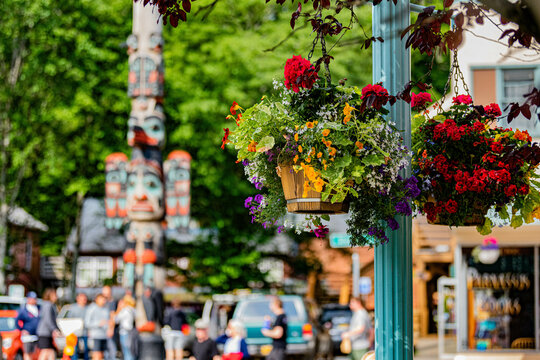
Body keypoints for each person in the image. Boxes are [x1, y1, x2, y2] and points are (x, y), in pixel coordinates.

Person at [37, 288, 60, 360]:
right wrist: (54, 329)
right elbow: (48, 319)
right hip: (44, 332)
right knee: (45, 351)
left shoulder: (50, 305)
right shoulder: (48, 305)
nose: (56, 297)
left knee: (51, 351)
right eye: (54, 295)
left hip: (47, 333)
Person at [85, 294, 111, 360]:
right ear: (96, 300)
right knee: (96, 354)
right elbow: (87, 323)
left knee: (102, 355)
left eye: (104, 299)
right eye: (101, 299)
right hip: (96, 336)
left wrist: (109, 328)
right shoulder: (92, 308)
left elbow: (108, 321)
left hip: (104, 335)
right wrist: (98, 323)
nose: (103, 301)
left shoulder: (106, 309)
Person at [15, 291, 40, 360]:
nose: (34, 300)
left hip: (36, 336)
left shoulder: (38, 308)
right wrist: (21, 329)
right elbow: (16, 321)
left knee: (34, 354)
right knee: (27, 353)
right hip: (28, 337)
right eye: (32, 298)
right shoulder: (24, 310)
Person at [114, 295, 136, 360]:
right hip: (131, 332)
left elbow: (116, 319)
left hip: (124, 332)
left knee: (127, 352)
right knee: (131, 351)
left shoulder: (125, 310)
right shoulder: (133, 309)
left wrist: (118, 308)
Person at [69, 293, 90, 360]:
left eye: (84, 299)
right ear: (78, 299)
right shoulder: (73, 308)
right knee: (75, 349)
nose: (84, 300)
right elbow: (70, 319)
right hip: (75, 332)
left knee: (86, 349)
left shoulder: (88, 308)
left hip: (85, 332)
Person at [101, 286, 118, 360]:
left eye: (106, 293)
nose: (105, 294)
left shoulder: (111, 303)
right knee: (106, 352)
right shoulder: (104, 303)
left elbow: (112, 316)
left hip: (109, 330)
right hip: (103, 330)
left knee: (111, 351)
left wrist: (111, 329)